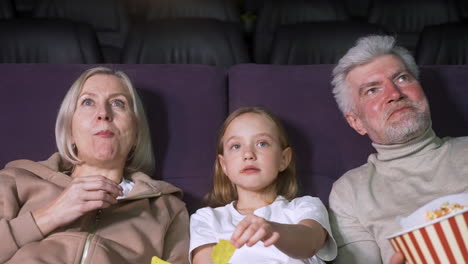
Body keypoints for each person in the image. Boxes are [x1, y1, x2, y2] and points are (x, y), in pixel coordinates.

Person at [0, 67, 189, 263]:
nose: (103, 114)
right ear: (70, 131)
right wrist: (51, 214)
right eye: (88, 102)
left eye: (118, 103)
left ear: (136, 135)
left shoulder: (168, 209)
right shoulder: (16, 179)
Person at [328, 35, 468, 264]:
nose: (394, 94)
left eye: (402, 78)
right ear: (356, 122)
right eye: (372, 90)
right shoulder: (349, 192)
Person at [189, 107, 337, 263]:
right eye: (236, 146)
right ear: (224, 165)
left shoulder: (303, 207)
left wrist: (272, 230)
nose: (248, 154)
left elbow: (309, 242)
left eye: (262, 143)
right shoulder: (209, 219)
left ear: (283, 159)